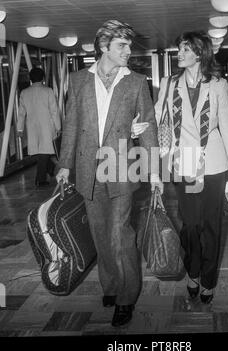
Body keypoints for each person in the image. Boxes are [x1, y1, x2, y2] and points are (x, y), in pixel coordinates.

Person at [132, 31, 228, 304]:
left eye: (185, 50)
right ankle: (192, 271)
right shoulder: (169, 82)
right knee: (190, 225)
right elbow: (156, 117)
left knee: (211, 225)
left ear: (200, 53)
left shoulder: (218, 84)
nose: (180, 54)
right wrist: (137, 127)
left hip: (214, 163)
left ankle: (208, 280)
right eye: (180, 49)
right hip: (184, 161)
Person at [56, 19, 162, 327]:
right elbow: (72, 125)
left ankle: (126, 296)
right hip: (89, 168)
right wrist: (64, 164)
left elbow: (150, 129)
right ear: (104, 47)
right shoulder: (78, 80)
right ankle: (112, 286)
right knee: (100, 236)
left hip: (120, 167)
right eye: (122, 46)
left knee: (119, 235)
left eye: (129, 45)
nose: (129, 51)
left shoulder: (136, 82)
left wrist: (154, 171)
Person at [17, 67, 61, 186]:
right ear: (42, 78)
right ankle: (41, 179)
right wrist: (58, 126)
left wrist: (19, 129)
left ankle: (49, 169)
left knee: (41, 151)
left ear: (30, 79)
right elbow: (54, 111)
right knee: (44, 151)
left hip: (32, 126)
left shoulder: (24, 93)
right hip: (47, 125)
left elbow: (21, 113)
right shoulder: (48, 91)